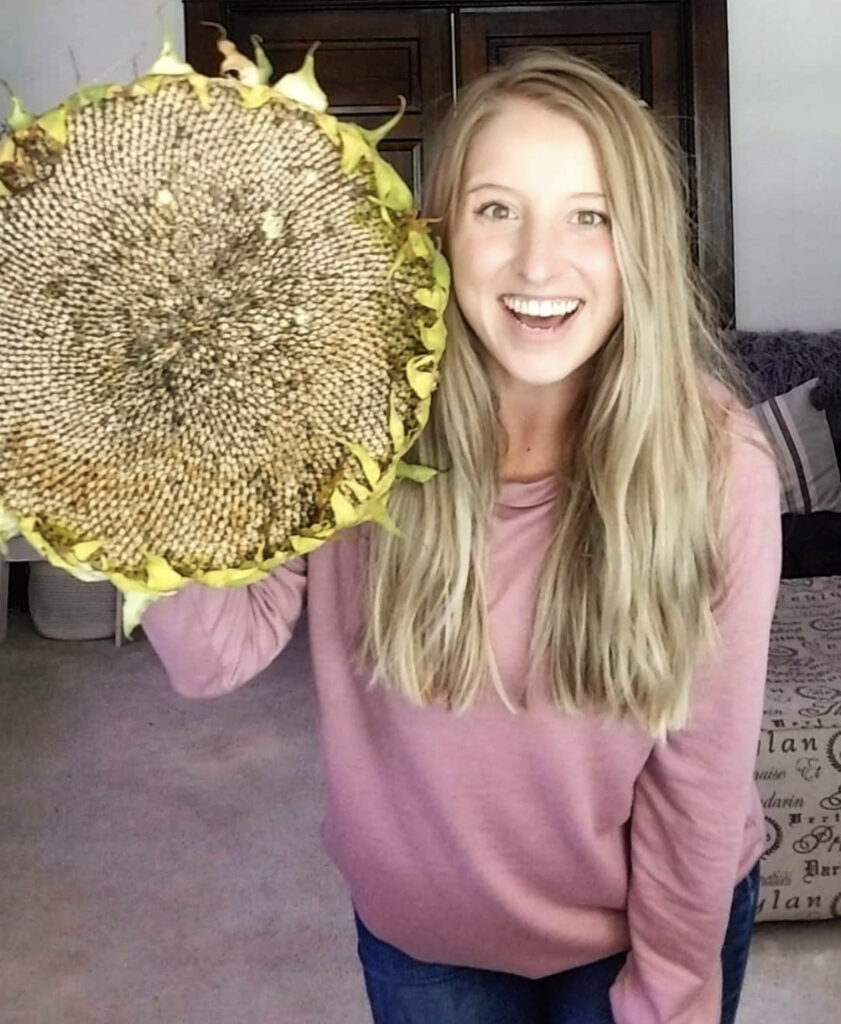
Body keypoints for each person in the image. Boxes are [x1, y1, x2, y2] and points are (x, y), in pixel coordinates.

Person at [142, 50, 781, 1024]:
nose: (537, 263)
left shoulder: (715, 467)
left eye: (589, 215)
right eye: (496, 210)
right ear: (438, 230)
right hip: (424, 945)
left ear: (641, 242)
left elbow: (698, 786)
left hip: (648, 935)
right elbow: (212, 652)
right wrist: (154, 427)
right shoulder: (351, 419)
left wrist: (665, 995)